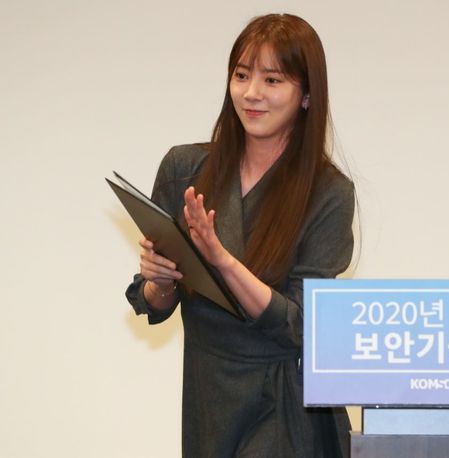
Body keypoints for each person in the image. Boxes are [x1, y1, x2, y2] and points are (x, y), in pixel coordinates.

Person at [125, 13, 355, 458]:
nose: (252, 93)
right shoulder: (184, 169)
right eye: (242, 75)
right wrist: (160, 281)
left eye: (273, 80)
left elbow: (300, 326)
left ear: (307, 95)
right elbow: (154, 303)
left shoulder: (328, 192)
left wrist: (222, 261)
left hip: (283, 404)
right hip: (208, 394)